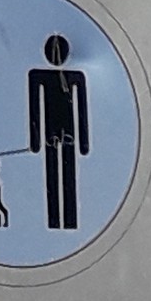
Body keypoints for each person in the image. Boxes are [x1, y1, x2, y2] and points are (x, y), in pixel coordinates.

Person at [27, 34, 90, 230]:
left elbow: (82, 110)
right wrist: (35, 141)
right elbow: (34, 110)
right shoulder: (38, 76)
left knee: (69, 177)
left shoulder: (76, 77)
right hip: (50, 135)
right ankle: (54, 221)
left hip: (67, 134)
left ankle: (69, 221)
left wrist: (84, 143)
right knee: (52, 178)